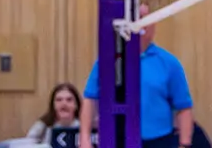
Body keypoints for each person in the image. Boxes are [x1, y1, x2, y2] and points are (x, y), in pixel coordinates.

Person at [77, 12, 195, 148]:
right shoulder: (107, 60)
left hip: (159, 141)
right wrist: (85, 139)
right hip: (118, 140)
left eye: (146, 19)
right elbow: (90, 98)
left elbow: (184, 106)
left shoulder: (169, 63)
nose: (141, 24)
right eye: (137, 19)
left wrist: (184, 144)